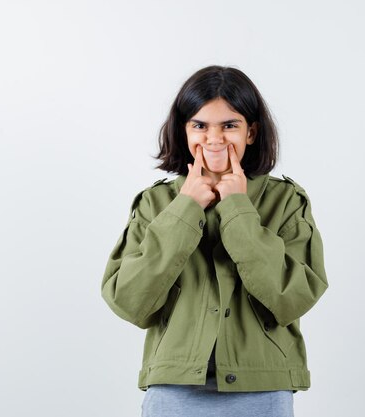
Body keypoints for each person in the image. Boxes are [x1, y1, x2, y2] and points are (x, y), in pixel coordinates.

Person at [100, 65, 329, 417]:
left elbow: (291, 298)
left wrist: (238, 208)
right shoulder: (155, 204)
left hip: (262, 387)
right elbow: (129, 301)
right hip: (174, 389)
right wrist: (185, 209)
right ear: (184, 130)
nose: (214, 138)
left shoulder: (285, 201)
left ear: (251, 132)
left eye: (230, 125)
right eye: (200, 125)